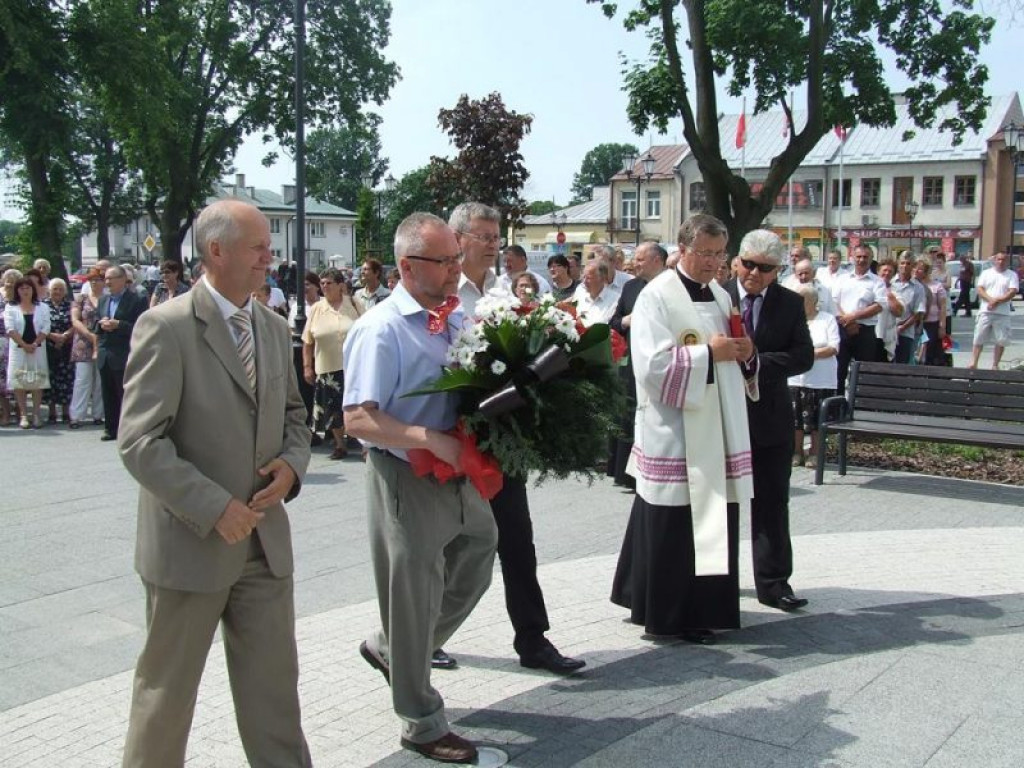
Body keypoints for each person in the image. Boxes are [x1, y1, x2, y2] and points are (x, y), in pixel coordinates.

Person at [117, 199, 313, 767]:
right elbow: (140, 442)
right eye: (258, 247)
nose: (269, 258)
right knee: (166, 700)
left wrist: (293, 466)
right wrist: (213, 506)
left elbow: (296, 417)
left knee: (276, 698)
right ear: (217, 251)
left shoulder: (275, 329)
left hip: (263, 548)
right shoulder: (166, 327)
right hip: (190, 548)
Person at [343, 212, 498, 764]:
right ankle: (421, 720)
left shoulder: (451, 318)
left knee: (480, 550)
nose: (457, 270)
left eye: (458, 258)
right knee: (412, 593)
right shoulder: (381, 328)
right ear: (407, 267)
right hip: (407, 472)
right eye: (445, 261)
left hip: (457, 466)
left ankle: (396, 650)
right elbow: (358, 421)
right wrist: (428, 439)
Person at [450, 201, 585, 676]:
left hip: (503, 437)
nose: (492, 244)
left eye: (495, 236)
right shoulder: (447, 293)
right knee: (449, 546)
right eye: (483, 235)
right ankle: (420, 636)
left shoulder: (506, 291)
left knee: (518, 540)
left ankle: (533, 639)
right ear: (458, 238)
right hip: (453, 441)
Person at [611, 214, 758, 645]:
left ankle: (700, 606)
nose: (715, 262)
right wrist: (708, 355)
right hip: (676, 425)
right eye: (706, 253)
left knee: (711, 513)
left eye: (719, 254)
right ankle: (673, 614)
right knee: (671, 519)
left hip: (719, 421)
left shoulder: (718, 293)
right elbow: (653, 365)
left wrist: (746, 353)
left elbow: (733, 353)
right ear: (684, 249)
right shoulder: (657, 296)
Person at [725, 230, 814, 611]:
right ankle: (717, 585)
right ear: (737, 261)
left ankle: (775, 583)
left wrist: (759, 359)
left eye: (765, 268)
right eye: (749, 264)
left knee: (772, 504)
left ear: (778, 270)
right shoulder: (716, 297)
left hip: (771, 420)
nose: (754, 274)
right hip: (724, 419)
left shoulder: (790, 303)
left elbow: (803, 356)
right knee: (721, 507)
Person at [608, 241, 668, 489]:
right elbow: (615, 321)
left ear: (657, 260)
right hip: (632, 361)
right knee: (629, 412)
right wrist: (626, 321)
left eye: (641, 259)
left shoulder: (670, 287)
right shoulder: (631, 287)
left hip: (661, 362)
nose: (635, 263)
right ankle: (626, 473)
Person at [302, 267, 363, 460]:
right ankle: (340, 444)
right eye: (322, 283)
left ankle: (365, 446)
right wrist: (307, 367)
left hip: (354, 367)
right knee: (332, 409)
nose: (325, 287)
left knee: (358, 406)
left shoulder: (354, 304)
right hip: (327, 366)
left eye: (329, 283)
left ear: (340, 286)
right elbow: (307, 341)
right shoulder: (317, 309)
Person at [788, 284, 839, 469]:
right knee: (795, 420)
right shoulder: (792, 320)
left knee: (817, 419)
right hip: (795, 378)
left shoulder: (828, 320)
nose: (800, 304)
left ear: (815, 301)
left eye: (805, 300)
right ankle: (797, 451)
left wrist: (809, 354)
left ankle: (816, 453)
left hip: (821, 379)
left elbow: (834, 347)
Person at [95, 265, 147, 441]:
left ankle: (129, 430)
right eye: (106, 278)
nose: (107, 282)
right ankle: (111, 428)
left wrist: (119, 325)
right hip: (105, 354)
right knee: (107, 393)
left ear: (123, 279)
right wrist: (101, 324)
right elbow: (95, 325)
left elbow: (141, 327)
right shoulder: (103, 300)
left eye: (111, 278)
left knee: (125, 394)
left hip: (124, 353)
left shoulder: (137, 300)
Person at [832, 244, 886, 396]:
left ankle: (862, 406)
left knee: (864, 372)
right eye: (859, 256)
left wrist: (854, 317)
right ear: (852, 258)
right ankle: (838, 405)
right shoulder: (842, 279)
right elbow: (834, 302)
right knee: (839, 371)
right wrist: (848, 321)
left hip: (865, 332)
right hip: (842, 330)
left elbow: (879, 306)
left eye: (865, 257)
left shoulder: (877, 281)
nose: (862, 260)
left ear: (871, 259)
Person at [4, 277, 51, 428]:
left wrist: (35, 343)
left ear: (33, 290)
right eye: (21, 288)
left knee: (38, 380)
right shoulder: (11, 307)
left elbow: (46, 327)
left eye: (28, 288)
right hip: (19, 349)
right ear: (17, 291)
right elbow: (10, 329)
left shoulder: (42, 307)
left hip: (37, 348)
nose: (25, 291)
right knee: (19, 381)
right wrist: (24, 345)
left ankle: (36, 414)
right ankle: (23, 415)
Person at [969, 251, 1019, 369]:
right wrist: (990, 300)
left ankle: (995, 364)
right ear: (995, 260)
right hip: (985, 311)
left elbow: (1012, 292)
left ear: (1007, 261)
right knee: (978, 337)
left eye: (1003, 260)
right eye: (999, 259)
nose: (1001, 262)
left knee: (1001, 340)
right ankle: (974, 362)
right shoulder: (986, 273)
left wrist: (996, 301)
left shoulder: (1011, 275)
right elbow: (980, 289)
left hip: (1002, 313)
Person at [69, 268, 106, 428]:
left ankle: (99, 414)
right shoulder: (81, 299)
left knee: (100, 381)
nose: (93, 282)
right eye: (91, 279)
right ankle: (76, 416)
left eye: (97, 279)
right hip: (83, 343)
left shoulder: (108, 299)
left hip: (103, 342)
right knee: (82, 379)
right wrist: (90, 335)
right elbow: (75, 320)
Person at [288, 271, 321, 444]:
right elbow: (291, 328)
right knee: (304, 391)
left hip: (321, 353)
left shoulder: (323, 304)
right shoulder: (296, 307)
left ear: (317, 286)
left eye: (308, 284)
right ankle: (308, 428)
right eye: (303, 284)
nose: (305, 288)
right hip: (301, 352)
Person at [43, 277, 75, 424]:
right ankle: (51, 412)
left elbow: (77, 322)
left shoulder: (70, 305)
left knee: (67, 379)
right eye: (54, 288)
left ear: (65, 291)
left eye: (60, 289)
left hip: (66, 346)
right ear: (49, 290)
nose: (57, 291)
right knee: (50, 378)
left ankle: (66, 411)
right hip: (48, 346)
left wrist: (65, 335)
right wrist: (52, 336)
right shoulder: (42, 305)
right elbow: (39, 324)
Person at [891, 253, 924, 364]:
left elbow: (918, 313)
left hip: (906, 333)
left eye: (908, 263)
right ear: (898, 264)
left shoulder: (918, 287)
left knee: (902, 364)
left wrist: (902, 328)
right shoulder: (889, 282)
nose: (905, 266)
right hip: (888, 331)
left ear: (913, 266)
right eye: (902, 263)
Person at [0, 268, 22, 426]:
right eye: (8, 283)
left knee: (18, 379)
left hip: (17, 343)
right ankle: (6, 414)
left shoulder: (22, 299)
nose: (10, 286)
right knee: (1, 383)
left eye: (13, 284)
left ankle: (22, 413)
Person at [916, 259, 947, 366]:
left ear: (927, 271)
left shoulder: (937, 286)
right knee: (917, 351)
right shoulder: (914, 285)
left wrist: (942, 327)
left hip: (932, 323)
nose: (917, 271)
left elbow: (943, 307)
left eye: (920, 269)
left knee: (930, 351)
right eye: (916, 268)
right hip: (917, 323)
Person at [874, 259, 905, 363]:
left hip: (885, 336)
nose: (886, 273)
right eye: (884, 270)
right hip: (869, 334)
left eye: (890, 271)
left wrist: (889, 294)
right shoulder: (870, 286)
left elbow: (899, 312)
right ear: (878, 271)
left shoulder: (896, 290)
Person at [576, 259, 619, 327]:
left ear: (602, 278)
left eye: (588, 278)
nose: (584, 282)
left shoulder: (615, 300)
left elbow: (607, 326)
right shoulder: (580, 291)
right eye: (583, 277)